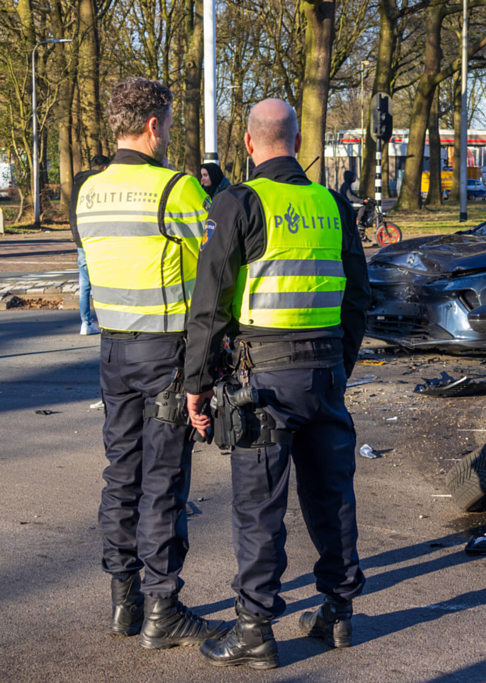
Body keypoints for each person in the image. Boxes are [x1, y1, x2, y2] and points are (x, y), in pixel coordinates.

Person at [183, 98, 371, 670]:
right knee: (331, 493)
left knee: (259, 505)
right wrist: (341, 365)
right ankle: (338, 613)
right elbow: (358, 297)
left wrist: (196, 382)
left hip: (263, 380)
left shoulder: (238, 201)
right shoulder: (332, 204)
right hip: (325, 372)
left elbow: (210, 304)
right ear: (294, 139)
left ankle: (254, 629)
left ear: (248, 143)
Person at [76, 77, 228, 649]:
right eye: (167, 124)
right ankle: (164, 609)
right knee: (164, 480)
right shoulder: (175, 187)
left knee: (122, 475)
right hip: (166, 353)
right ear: (153, 125)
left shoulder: (87, 191)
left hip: (113, 349)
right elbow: (218, 261)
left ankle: (125, 601)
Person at [69, 154, 110, 335]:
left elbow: (72, 213)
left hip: (81, 238)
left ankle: (86, 323)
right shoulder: (102, 184)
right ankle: (108, 320)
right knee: (105, 280)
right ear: (103, 168)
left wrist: (77, 237)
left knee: (85, 282)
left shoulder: (78, 184)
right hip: (99, 237)